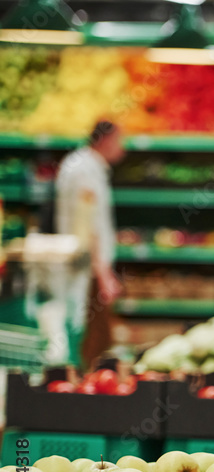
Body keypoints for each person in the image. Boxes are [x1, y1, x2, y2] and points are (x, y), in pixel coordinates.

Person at [54, 120, 126, 368]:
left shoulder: (83, 165)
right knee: (88, 331)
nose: (122, 148)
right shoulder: (84, 170)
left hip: (86, 262)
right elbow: (88, 222)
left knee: (85, 326)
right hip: (86, 263)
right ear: (105, 140)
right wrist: (104, 273)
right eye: (119, 140)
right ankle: (85, 383)